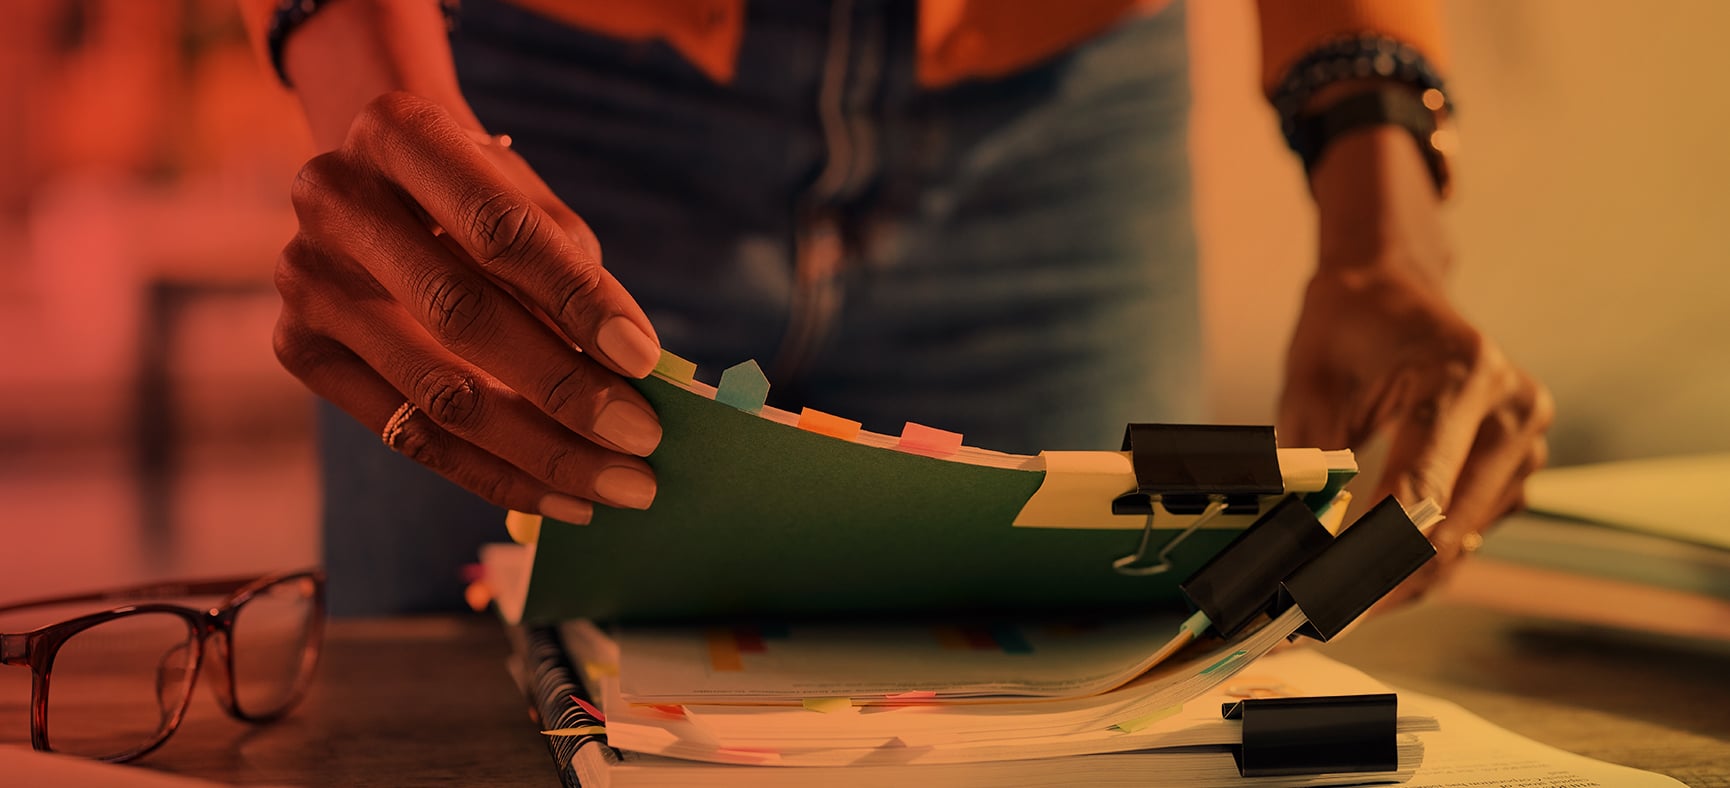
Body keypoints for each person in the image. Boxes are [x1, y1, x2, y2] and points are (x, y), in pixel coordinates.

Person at [245, 0, 1552, 614]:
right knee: (449, 731)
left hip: (1055, 124)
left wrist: (1380, 216)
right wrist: (375, 100)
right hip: (543, 100)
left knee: (1073, 723)